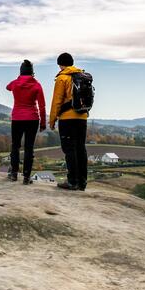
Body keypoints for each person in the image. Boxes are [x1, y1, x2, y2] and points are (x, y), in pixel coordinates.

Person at [49, 53, 89, 190]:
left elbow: (57, 101)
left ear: (60, 64)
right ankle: (82, 182)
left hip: (67, 119)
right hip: (82, 118)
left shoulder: (62, 78)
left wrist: (52, 120)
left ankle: (72, 181)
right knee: (81, 149)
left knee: (69, 149)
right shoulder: (82, 76)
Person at [6, 60, 46, 184]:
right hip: (32, 119)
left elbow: (8, 87)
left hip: (17, 118)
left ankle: (13, 174)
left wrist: (19, 79)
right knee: (29, 148)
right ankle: (26, 177)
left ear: (21, 71)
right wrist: (43, 123)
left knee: (15, 146)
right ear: (32, 72)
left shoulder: (15, 84)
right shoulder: (37, 85)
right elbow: (42, 106)